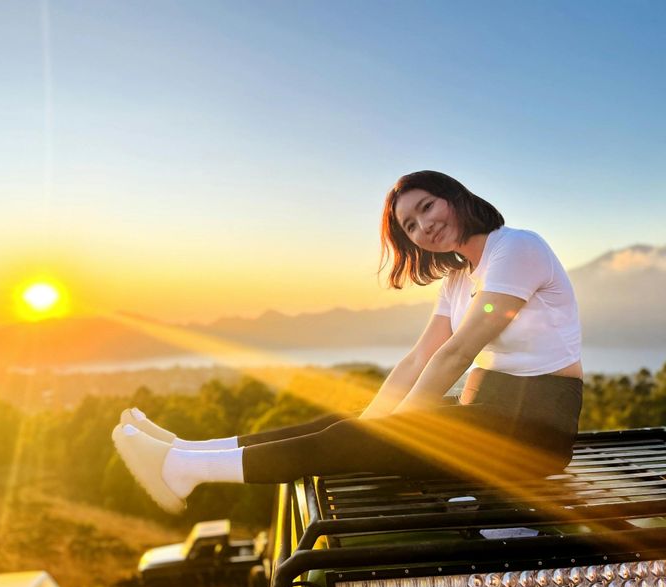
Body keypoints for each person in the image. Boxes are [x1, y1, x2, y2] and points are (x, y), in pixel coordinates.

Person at [112, 170, 583, 514]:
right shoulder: (459, 278)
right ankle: (190, 451)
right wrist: (377, 421)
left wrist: (395, 428)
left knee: (356, 437)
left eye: (427, 207)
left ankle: (183, 468)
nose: (424, 227)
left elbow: (456, 353)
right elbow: (419, 357)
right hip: (488, 414)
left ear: (454, 197)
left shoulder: (516, 248)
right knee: (345, 424)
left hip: (535, 433)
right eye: (411, 227)